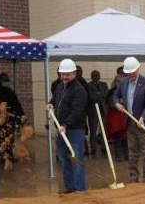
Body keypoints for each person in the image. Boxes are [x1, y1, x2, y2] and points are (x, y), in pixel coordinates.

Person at [46, 59, 88, 193]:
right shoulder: (60, 86)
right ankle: (69, 188)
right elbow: (56, 99)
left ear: (74, 73)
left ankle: (79, 188)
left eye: (67, 74)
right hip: (61, 130)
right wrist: (51, 103)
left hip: (75, 130)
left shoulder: (79, 90)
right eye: (62, 74)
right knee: (64, 160)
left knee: (76, 159)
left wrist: (65, 124)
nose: (64, 77)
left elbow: (77, 111)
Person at [113, 57, 145, 183]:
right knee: (132, 151)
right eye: (129, 72)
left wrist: (143, 117)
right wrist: (117, 104)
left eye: (133, 71)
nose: (131, 74)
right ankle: (133, 178)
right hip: (130, 122)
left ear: (138, 69)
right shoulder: (124, 82)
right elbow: (115, 95)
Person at [0, 73, 26, 168]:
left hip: (10, 120)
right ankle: (1, 156)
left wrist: (21, 115)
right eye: (4, 80)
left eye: (7, 80)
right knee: (0, 138)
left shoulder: (10, 92)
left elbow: (16, 104)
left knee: (9, 138)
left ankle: (8, 156)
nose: (6, 82)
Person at [106, 71, 128, 162]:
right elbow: (110, 104)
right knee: (117, 137)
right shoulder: (111, 91)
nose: (120, 82)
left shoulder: (126, 90)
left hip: (125, 115)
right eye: (118, 81)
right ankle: (118, 156)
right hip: (115, 116)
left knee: (125, 137)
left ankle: (127, 155)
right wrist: (117, 103)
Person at [87, 70, 109, 155]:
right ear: (91, 76)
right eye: (94, 75)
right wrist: (100, 95)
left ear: (99, 76)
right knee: (93, 130)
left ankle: (104, 147)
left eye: (97, 75)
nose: (96, 76)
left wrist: (98, 94)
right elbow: (91, 97)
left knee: (103, 130)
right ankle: (93, 147)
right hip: (93, 111)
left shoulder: (104, 84)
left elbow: (105, 94)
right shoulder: (89, 85)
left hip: (103, 110)